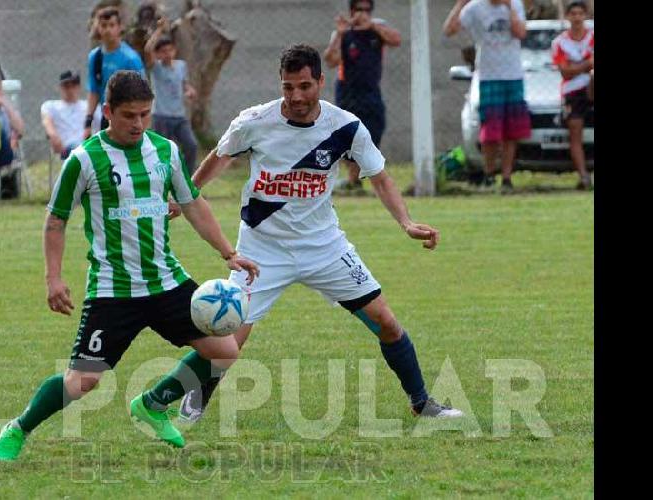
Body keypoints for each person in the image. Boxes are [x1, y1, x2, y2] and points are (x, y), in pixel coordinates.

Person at [177, 44, 465, 423]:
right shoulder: (254, 121)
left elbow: (378, 177)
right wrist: (187, 194)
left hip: (324, 247)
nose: (296, 96)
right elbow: (220, 155)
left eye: (305, 86)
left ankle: (422, 402)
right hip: (262, 250)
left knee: (387, 323)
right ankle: (193, 397)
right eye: (288, 87)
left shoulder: (344, 127)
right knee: (228, 339)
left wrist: (406, 222)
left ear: (321, 82)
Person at [0, 70, 260, 461]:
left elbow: (193, 204)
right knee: (82, 382)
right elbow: (56, 221)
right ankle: (18, 427)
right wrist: (53, 278)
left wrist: (227, 252)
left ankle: (153, 404)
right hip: (113, 291)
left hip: (166, 282)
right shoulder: (83, 160)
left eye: (144, 115)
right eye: (129, 115)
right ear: (107, 112)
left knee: (225, 351)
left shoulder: (165, 151)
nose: (138, 123)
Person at [443, 0, 530, 193]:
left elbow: (521, 33)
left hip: (513, 75)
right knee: (490, 132)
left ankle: (507, 177)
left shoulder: (515, 4)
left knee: (511, 131)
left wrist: (509, 9)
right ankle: (489, 174)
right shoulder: (475, 7)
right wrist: (460, 4)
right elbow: (449, 30)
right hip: (488, 76)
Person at [324, 0, 401, 195]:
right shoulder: (344, 33)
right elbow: (330, 60)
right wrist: (340, 34)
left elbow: (396, 40)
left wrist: (373, 25)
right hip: (348, 92)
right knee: (347, 135)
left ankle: (360, 178)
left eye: (367, 10)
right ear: (352, 11)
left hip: (371, 92)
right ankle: (353, 180)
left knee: (374, 131)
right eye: (359, 10)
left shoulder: (377, 30)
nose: (363, 14)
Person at [144, 17, 200, 175]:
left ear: (174, 50)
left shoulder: (181, 66)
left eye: (170, 50)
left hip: (179, 116)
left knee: (191, 145)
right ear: (158, 54)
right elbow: (148, 50)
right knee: (162, 152)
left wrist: (189, 90)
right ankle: (162, 182)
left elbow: (184, 84)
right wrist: (159, 30)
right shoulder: (156, 68)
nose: (167, 54)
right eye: (163, 51)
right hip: (161, 116)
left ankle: (189, 181)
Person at [83, 8, 147, 140]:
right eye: (103, 26)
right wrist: (88, 121)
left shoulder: (130, 59)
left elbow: (142, 93)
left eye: (111, 25)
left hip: (128, 118)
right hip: (107, 117)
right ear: (98, 28)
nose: (107, 30)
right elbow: (94, 90)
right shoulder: (95, 57)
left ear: (119, 28)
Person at [551, 0, 593, 190]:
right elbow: (565, 72)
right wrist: (586, 64)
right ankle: (584, 176)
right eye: (573, 14)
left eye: (580, 14)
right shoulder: (560, 43)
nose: (577, 18)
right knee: (575, 131)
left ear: (586, 15)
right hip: (572, 92)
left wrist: (576, 67)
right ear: (568, 17)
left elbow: (571, 68)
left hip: (591, 86)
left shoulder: (592, 37)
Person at [41, 71, 90, 160]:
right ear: (60, 87)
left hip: (87, 146)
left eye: (74, 85)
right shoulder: (51, 106)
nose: (70, 89)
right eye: (67, 86)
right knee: (78, 149)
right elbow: (47, 123)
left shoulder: (88, 107)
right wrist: (53, 136)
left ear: (79, 87)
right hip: (66, 148)